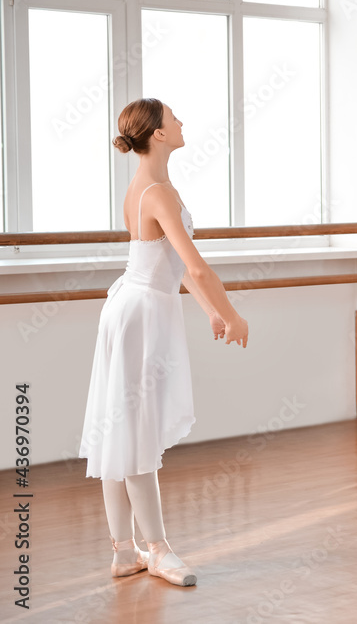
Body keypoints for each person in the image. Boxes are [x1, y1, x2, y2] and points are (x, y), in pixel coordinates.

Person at [79, 98, 249, 586]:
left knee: (123, 428)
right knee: (135, 431)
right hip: (139, 314)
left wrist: (212, 312)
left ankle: (124, 551)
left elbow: (171, 268)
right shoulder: (158, 193)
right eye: (173, 118)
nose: (181, 123)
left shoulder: (142, 188)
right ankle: (156, 549)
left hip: (132, 306)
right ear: (156, 134)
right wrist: (233, 315)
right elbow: (195, 266)